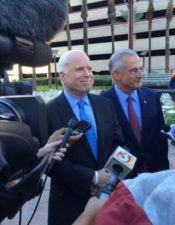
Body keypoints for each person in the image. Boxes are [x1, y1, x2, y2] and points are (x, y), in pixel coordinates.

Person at [45, 49, 124, 225]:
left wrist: (108, 177)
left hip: (108, 196)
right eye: (80, 69)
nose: (88, 74)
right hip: (68, 204)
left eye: (89, 69)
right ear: (62, 76)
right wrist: (93, 177)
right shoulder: (48, 112)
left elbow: (120, 144)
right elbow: (50, 162)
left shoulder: (105, 105)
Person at [101, 48, 169, 177]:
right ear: (116, 74)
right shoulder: (102, 103)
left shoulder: (152, 97)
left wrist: (163, 170)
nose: (140, 74)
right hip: (121, 180)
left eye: (140, 69)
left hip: (154, 174)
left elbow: (160, 135)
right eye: (133, 70)